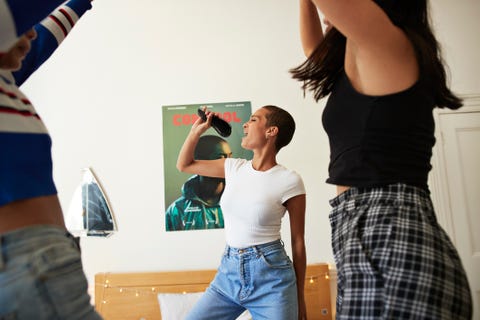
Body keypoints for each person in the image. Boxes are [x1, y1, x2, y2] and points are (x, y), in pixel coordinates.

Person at [290, 0, 473, 319]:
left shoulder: (389, 43)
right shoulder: (365, 63)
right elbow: (312, 48)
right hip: (374, 236)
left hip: (389, 236)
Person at [0, 1, 103, 319]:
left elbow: (42, 35)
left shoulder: (6, 82)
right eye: (19, 27)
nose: (30, 30)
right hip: (29, 263)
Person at [178, 106, 307, 320]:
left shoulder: (290, 180)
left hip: (272, 280)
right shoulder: (233, 168)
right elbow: (184, 165)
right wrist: (196, 132)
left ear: (271, 131)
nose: (245, 125)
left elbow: (298, 241)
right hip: (228, 276)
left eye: (253, 120)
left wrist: (299, 296)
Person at [166, 135, 232, 231]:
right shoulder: (177, 210)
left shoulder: (240, 201)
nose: (229, 163)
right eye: (221, 158)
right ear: (199, 163)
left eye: (230, 157)